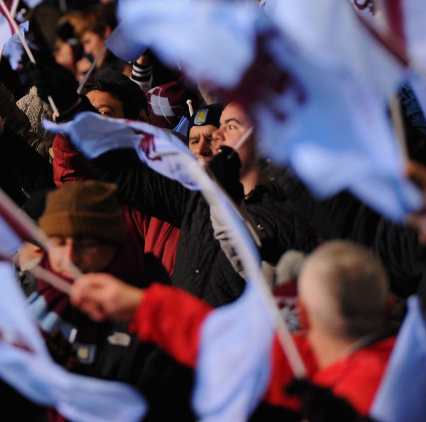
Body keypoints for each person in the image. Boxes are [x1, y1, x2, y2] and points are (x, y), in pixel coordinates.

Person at [70, 240, 426, 422]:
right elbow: (231, 346)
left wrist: (140, 305)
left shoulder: (355, 401)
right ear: (388, 303)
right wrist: (140, 305)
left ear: (303, 315)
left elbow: (229, 350)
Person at [0, 181, 196, 422]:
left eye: (86, 244)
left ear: (115, 245)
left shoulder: (149, 310)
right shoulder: (32, 312)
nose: (71, 256)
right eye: (59, 243)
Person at [89, 102, 315, 306]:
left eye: (231, 126)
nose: (217, 136)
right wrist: (73, 109)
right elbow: (122, 174)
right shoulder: (195, 197)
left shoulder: (293, 212)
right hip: (185, 343)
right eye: (194, 140)